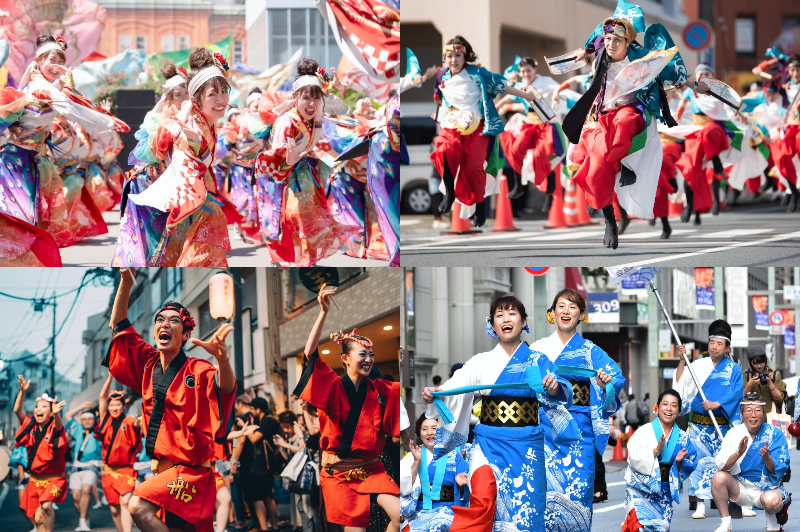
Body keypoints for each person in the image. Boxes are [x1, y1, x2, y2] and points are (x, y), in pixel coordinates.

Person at [422, 295, 576, 531]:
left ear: (524, 322)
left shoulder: (538, 360)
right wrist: (438, 393)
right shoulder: (480, 362)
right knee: (482, 500)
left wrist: (554, 387)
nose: (506, 319)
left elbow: (561, 387)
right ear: (492, 325)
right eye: (499, 315)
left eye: (512, 313)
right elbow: (455, 386)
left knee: (526, 516)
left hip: (527, 449)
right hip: (487, 446)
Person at [102, 267, 236, 532]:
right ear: (154, 332)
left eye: (174, 321)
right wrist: (126, 282)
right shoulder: (147, 362)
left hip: (190, 471)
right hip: (163, 470)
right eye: (160, 320)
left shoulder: (198, 369)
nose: (165, 324)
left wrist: (222, 358)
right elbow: (118, 325)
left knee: (138, 506)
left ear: (186, 334)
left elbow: (225, 391)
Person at [563, 2, 689, 249]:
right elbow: (593, 50)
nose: (610, 44)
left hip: (633, 112)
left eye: (616, 40)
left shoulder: (643, 58)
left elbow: (671, 71)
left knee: (624, 122)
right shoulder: (601, 58)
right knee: (597, 167)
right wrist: (585, 51)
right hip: (603, 116)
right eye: (607, 39)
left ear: (628, 42)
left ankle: (624, 163)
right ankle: (610, 221)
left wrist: (696, 84)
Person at [0, 34, 129, 266]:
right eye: (52, 59)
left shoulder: (43, 84)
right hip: (14, 160)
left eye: (61, 60)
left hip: (31, 159)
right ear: (39, 61)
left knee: (31, 213)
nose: (57, 64)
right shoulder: (41, 87)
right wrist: (107, 122)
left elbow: (71, 101)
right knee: (21, 213)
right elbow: (71, 109)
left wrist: (104, 118)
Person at [293, 284, 400, 532]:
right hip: (338, 473)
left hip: (370, 467)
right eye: (363, 354)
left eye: (371, 355)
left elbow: (400, 393)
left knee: (401, 515)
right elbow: (310, 355)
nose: (369, 360)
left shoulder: (379, 389)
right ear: (345, 359)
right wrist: (323, 313)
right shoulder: (331, 387)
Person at [125, 49, 240, 266]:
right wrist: (196, 144)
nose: (221, 99)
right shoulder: (189, 123)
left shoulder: (206, 119)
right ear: (197, 99)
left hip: (188, 187)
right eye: (212, 94)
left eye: (224, 91)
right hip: (171, 186)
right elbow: (180, 163)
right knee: (210, 218)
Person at [530, 288, 624, 532]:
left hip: (580, 431)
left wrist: (603, 382)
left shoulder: (591, 350)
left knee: (580, 491)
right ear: (552, 313)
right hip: (545, 429)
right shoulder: (538, 348)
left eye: (572, 307)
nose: (566, 311)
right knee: (547, 494)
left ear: (581, 315)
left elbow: (616, 377)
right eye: (561, 306)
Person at [431, 35, 549, 227]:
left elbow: (504, 86)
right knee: (444, 151)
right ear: (445, 58)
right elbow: (438, 96)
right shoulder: (441, 75)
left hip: (476, 127)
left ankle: (480, 203)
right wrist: (442, 109)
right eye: (450, 56)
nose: (454, 60)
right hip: (451, 125)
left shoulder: (477, 74)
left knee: (473, 169)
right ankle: (450, 192)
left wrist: (527, 95)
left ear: (465, 56)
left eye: (458, 55)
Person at [253, 58, 360, 266]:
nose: (311, 103)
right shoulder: (286, 121)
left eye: (316, 98)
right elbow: (274, 160)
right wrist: (288, 161)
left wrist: (337, 90)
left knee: (311, 220)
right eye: (306, 98)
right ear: (295, 98)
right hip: (279, 178)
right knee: (294, 218)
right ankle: (294, 260)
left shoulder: (316, 114)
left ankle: (306, 260)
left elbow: (344, 111)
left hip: (302, 172)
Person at [113, 61, 189, 267]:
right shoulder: (160, 118)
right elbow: (150, 137)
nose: (184, 98)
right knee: (152, 229)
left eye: (187, 93)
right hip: (154, 179)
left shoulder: (191, 117)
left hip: (179, 179)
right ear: (169, 97)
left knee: (177, 228)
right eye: (179, 94)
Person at [672, 319, 744, 519]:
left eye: (719, 343)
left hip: (722, 425)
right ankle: (700, 504)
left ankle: (734, 499)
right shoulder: (697, 364)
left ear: (727, 347)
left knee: (726, 463)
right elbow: (681, 387)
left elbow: (736, 393)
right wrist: (681, 360)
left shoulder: (734, 369)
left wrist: (717, 403)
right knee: (698, 463)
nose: (714, 347)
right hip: (699, 426)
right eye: (712, 342)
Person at [709, 393, 790, 532]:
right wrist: (738, 454)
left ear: (763, 413)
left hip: (766, 489)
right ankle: (726, 522)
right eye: (748, 410)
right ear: (741, 413)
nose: (753, 415)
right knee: (718, 477)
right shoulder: (733, 433)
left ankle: (772, 518)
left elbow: (779, 469)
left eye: (757, 410)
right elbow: (722, 466)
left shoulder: (774, 434)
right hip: (740, 488)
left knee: (773, 502)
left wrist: (767, 458)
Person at [621, 389, 699, 532]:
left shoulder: (683, 438)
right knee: (638, 528)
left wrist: (678, 462)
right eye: (665, 404)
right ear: (657, 407)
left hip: (664, 492)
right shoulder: (644, 431)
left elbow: (692, 460)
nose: (669, 409)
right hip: (639, 490)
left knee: (660, 529)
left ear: (679, 410)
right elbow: (632, 457)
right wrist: (656, 451)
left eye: (674, 405)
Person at [13, 375, 68, 532]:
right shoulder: (30, 426)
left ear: (50, 412)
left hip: (53, 479)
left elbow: (58, 427)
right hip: (35, 479)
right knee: (37, 518)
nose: (39, 409)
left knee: (46, 506)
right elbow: (17, 410)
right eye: (37, 406)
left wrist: (57, 414)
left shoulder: (54, 427)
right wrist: (22, 392)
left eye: (44, 407)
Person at [400, 415, 469, 532]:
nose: (429, 433)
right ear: (419, 434)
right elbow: (404, 488)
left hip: (449, 512)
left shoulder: (455, 456)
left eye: (434, 428)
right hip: (418, 514)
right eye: (424, 429)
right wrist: (416, 462)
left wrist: (460, 486)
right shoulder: (411, 458)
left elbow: (466, 494)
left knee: (439, 526)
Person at [94, 374, 142, 532]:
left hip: (126, 470)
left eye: (117, 404)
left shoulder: (128, 421)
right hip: (108, 472)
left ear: (123, 406)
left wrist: (140, 421)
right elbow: (102, 397)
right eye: (112, 405)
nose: (114, 408)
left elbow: (136, 422)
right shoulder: (105, 422)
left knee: (126, 501)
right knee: (114, 509)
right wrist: (109, 377)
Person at [240, 396, 281, 532]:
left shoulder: (268, 421)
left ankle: (264, 528)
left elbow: (253, 438)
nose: (252, 411)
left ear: (258, 409)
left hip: (261, 464)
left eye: (253, 408)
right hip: (265, 464)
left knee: (257, 498)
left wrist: (244, 427)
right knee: (268, 496)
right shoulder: (267, 420)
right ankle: (274, 527)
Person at [63, 400, 102, 532]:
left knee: (86, 489)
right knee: (75, 497)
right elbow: (67, 415)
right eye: (84, 419)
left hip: (92, 465)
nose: (87, 421)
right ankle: (84, 518)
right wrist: (81, 407)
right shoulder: (78, 429)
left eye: (89, 419)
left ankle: (82, 522)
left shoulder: (99, 430)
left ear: (93, 420)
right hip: (76, 465)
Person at [744, 346, 787, 414]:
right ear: (750, 362)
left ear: (765, 360)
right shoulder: (745, 375)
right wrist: (750, 384)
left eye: (761, 362)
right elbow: (741, 398)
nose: (759, 366)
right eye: (755, 363)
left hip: (770, 419)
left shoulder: (774, 375)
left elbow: (779, 399)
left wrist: (770, 383)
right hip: (751, 418)